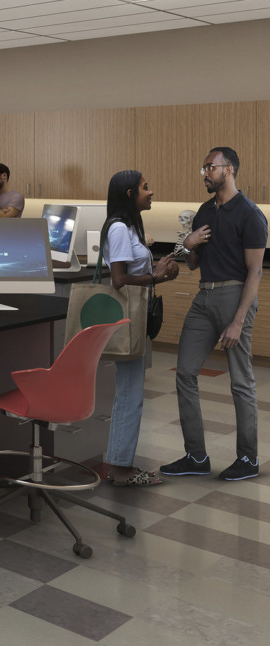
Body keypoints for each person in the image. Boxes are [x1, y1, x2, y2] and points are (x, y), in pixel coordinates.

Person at [162, 146, 266, 481]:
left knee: (240, 382)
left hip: (235, 296)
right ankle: (196, 456)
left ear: (230, 170)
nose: (205, 172)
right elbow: (192, 261)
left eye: (211, 166)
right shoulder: (204, 211)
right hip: (204, 298)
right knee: (185, 373)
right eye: (203, 167)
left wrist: (238, 320)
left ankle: (248, 459)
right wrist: (187, 244)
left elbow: (255, 272)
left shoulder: (250, 214)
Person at [97, 171, 179, 486]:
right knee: (129, 394)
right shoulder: (119, 228)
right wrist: (157, 276)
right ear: (130, 193)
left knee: (130, 393)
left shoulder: (128, 227)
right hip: (128, 318)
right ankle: (120, 468)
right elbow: (119, 280)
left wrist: (158, 268)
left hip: (136, 316)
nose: (151, 191)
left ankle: (119, 463)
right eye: (146, 187)